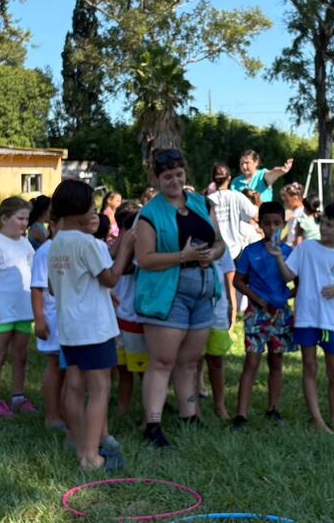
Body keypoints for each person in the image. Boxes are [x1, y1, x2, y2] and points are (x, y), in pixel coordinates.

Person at [134, 148, 226, 448]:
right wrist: (182, 256)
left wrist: (213, 253)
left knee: (190, 360)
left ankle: (189, 415)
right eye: (167, 176)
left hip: (202, 288)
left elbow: (220, 242)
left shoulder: (202, 203)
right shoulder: (149, 214)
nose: (174, 181)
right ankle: (153, 425)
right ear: (157, 179)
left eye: (178, 174)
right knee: (162, 361)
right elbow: (145, 259)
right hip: (167, 292)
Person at [48, 179, 134, 471]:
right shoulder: (89, 243)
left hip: (69, 327)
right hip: (94, 328)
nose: (94, 210)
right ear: (79, 208)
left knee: (74, 386)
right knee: (100, 388)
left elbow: (51, 286)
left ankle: (77, 442)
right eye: (91, 205)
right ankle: (90, 456)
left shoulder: (56, 241)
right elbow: (110, 278)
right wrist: (125, 249)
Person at [269, 201, 334, 434]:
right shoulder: (306, 248)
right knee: (309, 366)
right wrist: (279, 257)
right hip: (306, 318)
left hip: (330, 321)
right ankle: (318, 421)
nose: (324, 228)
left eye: (330, 225)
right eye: (323, 223)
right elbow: (290, 274)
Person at [232, 200, 296, 430]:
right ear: (260, 224)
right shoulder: (251, 252)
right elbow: (238, 281)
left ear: (284, 224)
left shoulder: (289, 253)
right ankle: (241, 414)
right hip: (256, 314)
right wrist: (258, 299)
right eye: (267, 223)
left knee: (276, 361)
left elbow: (298, 282)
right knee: (251, 361)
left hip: (281, 314)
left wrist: (284, 298)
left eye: (277, 223)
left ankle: (274, 408)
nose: (272, 228)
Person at [0, 196, 37, 418]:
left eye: (26, 219)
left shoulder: (26, 244)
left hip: (23, 308)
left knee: (21, 355)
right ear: (4, 218)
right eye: (20, 218)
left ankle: (18, 396)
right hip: (2, 310)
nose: (24, 224)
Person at [207, 162, 259, 322]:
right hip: (235, 249)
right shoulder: (237, 196)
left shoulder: (207, 199)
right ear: (229, 178)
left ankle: (217, 319)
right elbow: (254, 212)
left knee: (216, 289)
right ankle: (231, 323)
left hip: (215, 250)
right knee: (232, 291)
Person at [111, 201, 146, 418]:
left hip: (135, 320)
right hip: (118, 319)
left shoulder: (140, 255)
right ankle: (122, 409)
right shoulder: (114, 250)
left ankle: (147, 409)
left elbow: (124, 269)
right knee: (123, 369)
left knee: (142, 370)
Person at [31, 210, 66, 430]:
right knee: (55, 367)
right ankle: (52, 415)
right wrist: (39, 319)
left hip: (71, 318)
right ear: (52, 225)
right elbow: (36, 288)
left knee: (69, 369)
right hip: (52, 317)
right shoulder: (45, 251)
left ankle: (64, 410)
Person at [203, 249, 236, 421]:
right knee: (193, 361)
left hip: (218, 308)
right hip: (194, 307)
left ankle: (219, 404)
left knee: (216, 360)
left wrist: (232, 306)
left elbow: (228, 279)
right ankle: (192, 406)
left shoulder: (220, 246)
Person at [280, 182, 305, 247]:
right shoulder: (295, 212)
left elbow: (299, 240)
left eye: (286, 198)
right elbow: (291, 234)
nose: (284, 200)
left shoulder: (302, 213)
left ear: (295, 198)